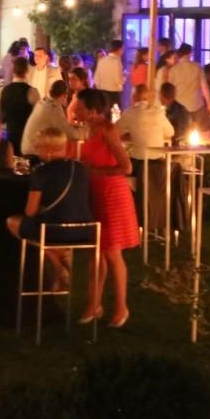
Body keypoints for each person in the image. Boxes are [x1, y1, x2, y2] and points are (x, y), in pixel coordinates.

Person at [73, 89, 138, 329]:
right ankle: (94, 304)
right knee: (95, 253)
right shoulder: (87, 130)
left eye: (79, 107)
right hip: (94, 194)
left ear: (92, 109)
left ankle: (121, 307)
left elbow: (126, 166)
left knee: (112, 252)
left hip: (112, 194)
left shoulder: (107, 130)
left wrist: (96, 172)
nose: (75, 110)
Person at [6, 127, 95, 290]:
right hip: (85, 230)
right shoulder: (80, 168)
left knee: (12, 222)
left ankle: (57, 263)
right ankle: (60, 262)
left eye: (38, 147)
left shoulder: (40, 172)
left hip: (54, 231)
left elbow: (30, 212)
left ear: (48, 150)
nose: (36, 151)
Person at [115, 84, 178, 233]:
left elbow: (115, 131)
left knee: (121, 175)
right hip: (159, 165)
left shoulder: (131, 113)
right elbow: (170, 132)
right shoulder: (158, 113)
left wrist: (132, 133)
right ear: (149, 97)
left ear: (134, 97)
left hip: (140, 166)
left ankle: (131, 219)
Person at [20, 79, 77, 159]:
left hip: (27, 149)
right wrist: (86, 131)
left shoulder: (43, 102)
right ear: (64, 95)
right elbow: (68, 133)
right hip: (34, 153)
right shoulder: (53, 108)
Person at [0, 56, 39, 157]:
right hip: (26, 134)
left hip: (7, 133)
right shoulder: (32, 92)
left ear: (13, 71)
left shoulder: (2, 91)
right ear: (27, 71)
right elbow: (37, 116)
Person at [168, 44, 210, 133]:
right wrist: (209, 104)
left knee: (182, 133)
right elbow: (204, 87)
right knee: (202, 133)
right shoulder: (197, 67)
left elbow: (170, 90)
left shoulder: (173, 70)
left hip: (180, 107)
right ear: (190, 53)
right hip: (196, 105)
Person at [94, 40, 125, 109]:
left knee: (104, 115)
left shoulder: (101, 60)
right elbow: (117, 80)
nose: (123, 51)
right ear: (119, 49)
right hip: (113, 93)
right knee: (116, 116)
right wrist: (123, 79)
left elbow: (96, 79)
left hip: (102, 93)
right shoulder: (116, 61)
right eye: (123, 49)